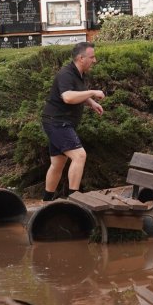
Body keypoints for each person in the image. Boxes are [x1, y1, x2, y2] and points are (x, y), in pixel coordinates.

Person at [41, 41, 104, 200]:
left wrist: (91, 102)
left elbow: (78, 93)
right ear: (81, 58)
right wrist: (93, 92)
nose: (94, 60)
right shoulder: (66, 74)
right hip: (57, 122)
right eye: (92, 57)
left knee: (58, 163)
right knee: (79, 156)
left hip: (60, 122)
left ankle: (46, 201)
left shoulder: (80, 74)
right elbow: (68, 97)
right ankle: (73, 199)